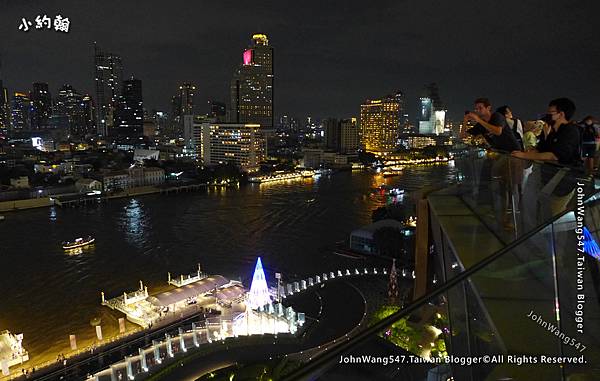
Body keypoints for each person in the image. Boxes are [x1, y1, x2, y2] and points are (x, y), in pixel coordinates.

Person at [512, 98, 583, 218]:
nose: (548, 115)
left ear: (561, 114)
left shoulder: (570, 131)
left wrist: (524, 155)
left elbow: (554, 155)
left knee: (555, 216)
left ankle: (561, 236)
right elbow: (541, 150)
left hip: (563, 182)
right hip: (550, 180)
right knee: (547, 214)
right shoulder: (553, 132)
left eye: (551, 112)